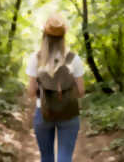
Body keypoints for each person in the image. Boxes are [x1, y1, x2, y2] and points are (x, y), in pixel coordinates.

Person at [25, 13, 85, 162]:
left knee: (46, 158)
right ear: (63, 37)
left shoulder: (35, 58)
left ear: (44, 36)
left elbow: (31, 93)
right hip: (69, 113)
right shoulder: (74, 59)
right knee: (65, 157)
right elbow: (81, 91)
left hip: (43, 113)